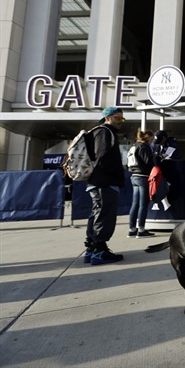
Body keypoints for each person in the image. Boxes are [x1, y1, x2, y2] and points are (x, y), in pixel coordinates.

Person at [84, 107, 126, 265]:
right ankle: (100, 251)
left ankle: (91, 249)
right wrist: (116, 173)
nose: (120, 121)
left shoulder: (99, 132)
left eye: (122, 119)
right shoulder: (104, 132)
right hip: (104, 182)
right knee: (104, 215)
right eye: (117, 118)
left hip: (98, 181)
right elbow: (103, 156)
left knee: (96, 214)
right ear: (107, 118)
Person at [127, 129, 156, 238]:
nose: (152, 141)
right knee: (143, 204)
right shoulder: (144, 146)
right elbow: (148, 161)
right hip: (143, 176)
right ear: (148, 137)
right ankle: (141, 229)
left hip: (134, 176)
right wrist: (157, 158)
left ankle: (132, 229)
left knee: (135, 204)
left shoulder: (134, 146)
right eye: (152, 139)